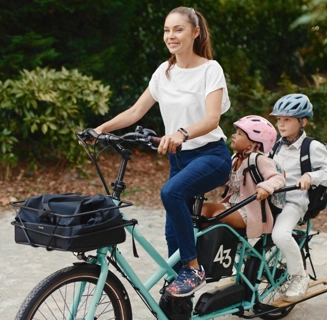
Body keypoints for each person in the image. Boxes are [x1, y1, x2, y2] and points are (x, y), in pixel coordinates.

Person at [90, 6, 232, 297]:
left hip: (211, 156)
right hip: (179, 160)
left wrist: (181, 133)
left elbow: (212, 119)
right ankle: (179, 298)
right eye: (167, 30)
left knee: (171, 193)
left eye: (178, 29)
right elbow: (135, 111)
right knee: (172, 237)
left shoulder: (210, 69)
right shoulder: (164, 72)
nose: (171, 35)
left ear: (195, 32)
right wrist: (100, 130)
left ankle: (194, 269)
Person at [269, 93, 327, 302]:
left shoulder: (312, 147)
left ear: (303, 121)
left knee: (281, 235)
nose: (281, 124)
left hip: (294, 202)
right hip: (270, 199)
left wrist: (311, 176)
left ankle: (299, 277)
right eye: (279, 119)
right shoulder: (275, 144)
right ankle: (252, 263)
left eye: (287, 119)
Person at [201, 115, 286, 238]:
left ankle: (213, 251)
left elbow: (278, 178)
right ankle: (201, 250)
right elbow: (224, 178)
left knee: (218, 216)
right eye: (236, 132)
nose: (234, 135)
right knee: (202, 211)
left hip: (250, 212)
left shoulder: (259, 160)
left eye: (240, 134)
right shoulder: (235, 159)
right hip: (231, 205)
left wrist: (265, 188)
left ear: (252, 145)